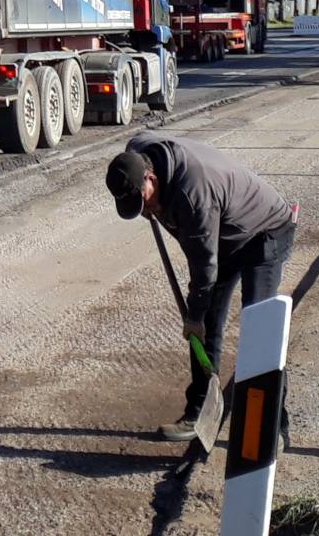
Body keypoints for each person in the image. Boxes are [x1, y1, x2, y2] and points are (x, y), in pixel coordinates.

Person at [106, 133, 297, 442]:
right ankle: (199, 409)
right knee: (206, 323)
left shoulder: (193, 197)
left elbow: (204, 266)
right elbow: (138, 138)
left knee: (259, 328)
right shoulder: (138, 155)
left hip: (265, 231)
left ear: (151, 178)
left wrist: (193, 316)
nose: (145, 212)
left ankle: (275, 426)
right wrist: (199, 318)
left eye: (144, 203)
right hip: (225, 231)